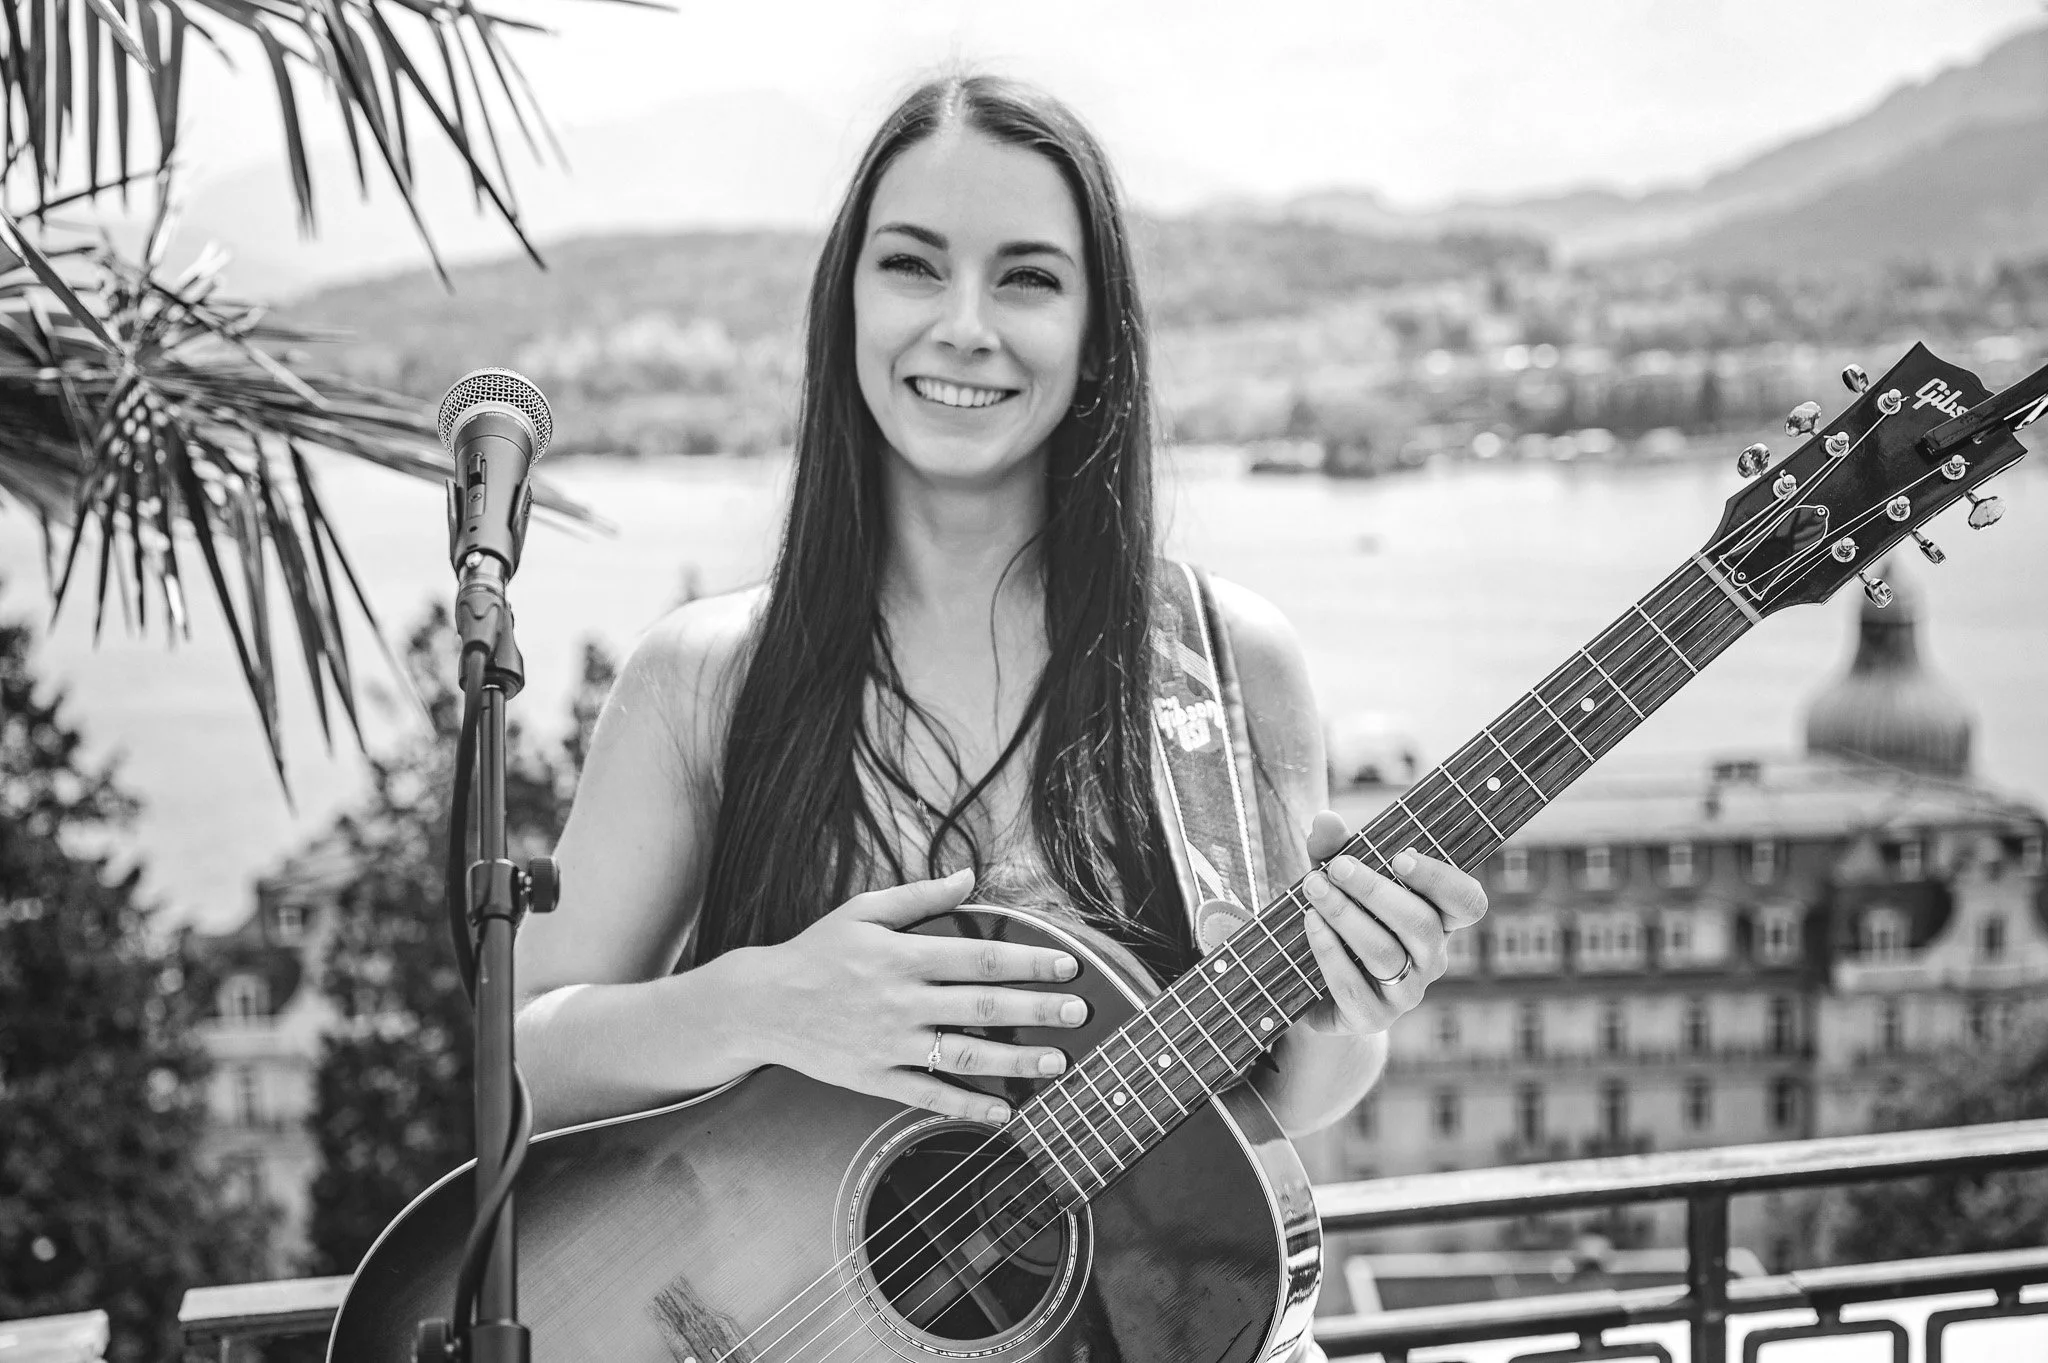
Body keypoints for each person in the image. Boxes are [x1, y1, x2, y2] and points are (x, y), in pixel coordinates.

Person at [517, 66, 1484, 1216]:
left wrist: (1340, 1014)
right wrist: (760, 1002)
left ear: (1094, 336)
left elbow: (1277, 1098)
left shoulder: (1230, 662)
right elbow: (518, 1061)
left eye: (1025, 278)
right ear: (848, 305)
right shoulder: (704, 679)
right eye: (912, 265)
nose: (963, 326)